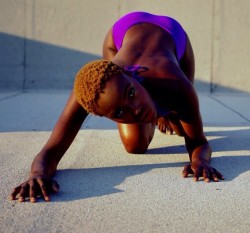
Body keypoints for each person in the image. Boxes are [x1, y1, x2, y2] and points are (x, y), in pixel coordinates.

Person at [10, 11, 224, 203]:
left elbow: (198, 142)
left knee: (179, 126)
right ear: (100, 115)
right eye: (120, 113)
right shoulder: (87, 94)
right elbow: (50, 151)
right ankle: (150, 108)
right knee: (135, 145)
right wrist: (38, 175)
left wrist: (199, 160)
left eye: (130, 93)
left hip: (172, 35)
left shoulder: (175, 82)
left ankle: (161, 112)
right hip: (122, 52)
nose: (136, 109)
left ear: (130, 72)